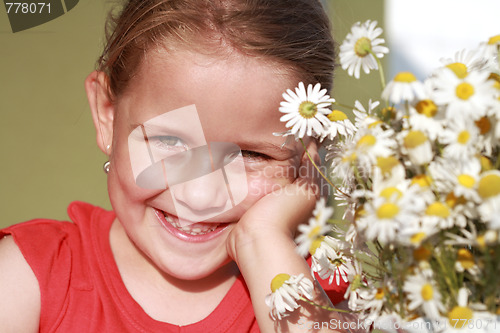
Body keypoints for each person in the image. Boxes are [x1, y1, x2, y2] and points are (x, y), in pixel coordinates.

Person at [0, 0, 357, 331]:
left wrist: (261, 240)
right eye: (169, 142)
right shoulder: (29, 277)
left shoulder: (332, 299)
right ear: (107, 116)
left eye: (253, 155)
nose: (200, 196)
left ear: (310, 152)